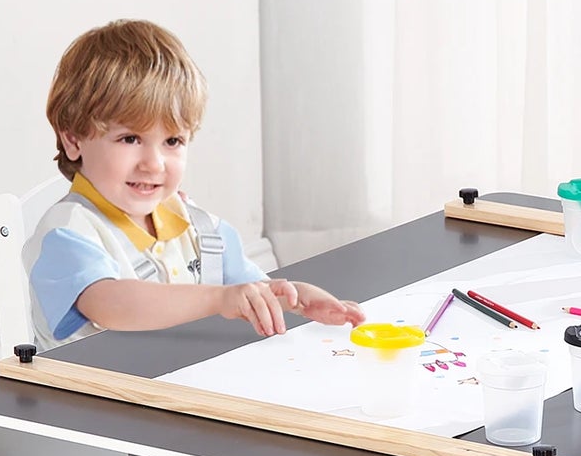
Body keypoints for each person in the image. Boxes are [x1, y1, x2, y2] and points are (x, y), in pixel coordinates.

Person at [25, 19, 364, 349]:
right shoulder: (67, 232)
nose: (153, 163)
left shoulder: (199, 226)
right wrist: (218, 299)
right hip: (88, 399)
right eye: (129, 139)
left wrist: (295, 298)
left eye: (172, 141)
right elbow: (109, 303)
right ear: (73, 141)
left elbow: (247, 288)